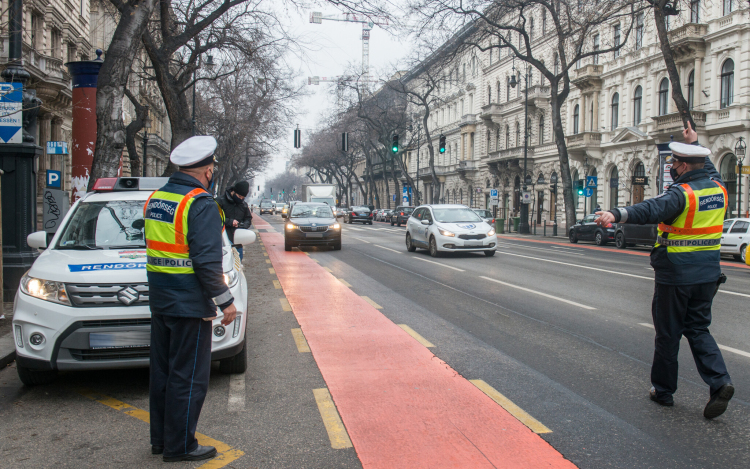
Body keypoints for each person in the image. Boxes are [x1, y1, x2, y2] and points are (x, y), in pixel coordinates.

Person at [596, 123, 734, 419]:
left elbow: (649, 209)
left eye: (674, 162)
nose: (671, 166)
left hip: (676, 277)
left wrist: (616, 214)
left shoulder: (681, 194)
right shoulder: (718, 188)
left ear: (683, 165)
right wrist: (696, 143)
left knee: (668, 334)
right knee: (698, 329)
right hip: (708, 275)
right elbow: (707, 167)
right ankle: (720, 381)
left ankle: (663, 391)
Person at [144, 136, 237, 461]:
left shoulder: (157, 199)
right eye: (212, 168)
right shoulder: (199, 204)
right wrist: (226, 302)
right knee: (188, 377)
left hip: (161, 300)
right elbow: (206, 262)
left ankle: (161, 440)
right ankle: (181, 446)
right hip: (189, 304)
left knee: (163, 374)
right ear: (207, 170)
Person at [217, 181, 253, 260]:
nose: (240, 199)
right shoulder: (220, 201)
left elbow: (248, 218)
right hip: (222, 242)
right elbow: (214, 218)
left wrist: (243, 225)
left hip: (238, 242)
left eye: (243, 197)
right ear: (234, 191)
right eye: (239, 196)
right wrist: (230, 222)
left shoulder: (243, 205)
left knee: (238, 264)